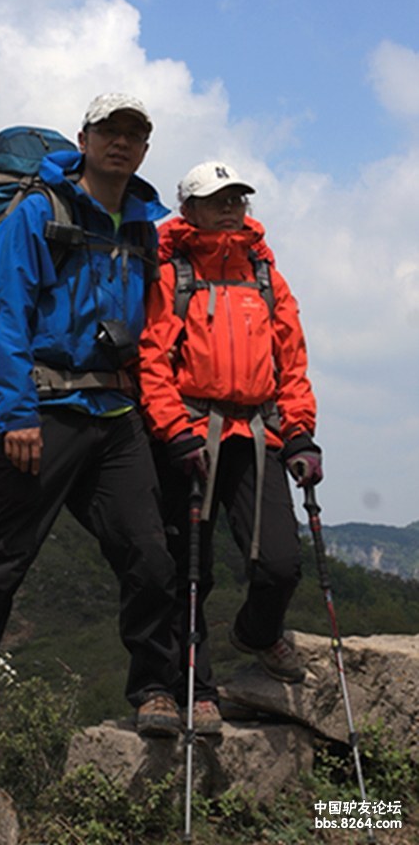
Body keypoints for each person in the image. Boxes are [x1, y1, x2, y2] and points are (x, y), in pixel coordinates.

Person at [0, 93, 182, 761]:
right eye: (109, 130)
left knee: (151, 557)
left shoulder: (143, 225)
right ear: (85, 137)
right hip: (42, 408)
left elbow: (154, 326)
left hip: (116, 412)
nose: (121, 143)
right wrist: (14, 414)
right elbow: (5, 312)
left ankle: (155, 690)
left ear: (146, 148)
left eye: (134, 133)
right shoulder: (40, 211)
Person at [138, 160, 323, 736]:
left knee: (279, 565)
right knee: (191, 570)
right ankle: (197, 688)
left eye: (237, 198)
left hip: (257, 435)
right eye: (216, 199)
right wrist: (173, 430)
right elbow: (151, 356)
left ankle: (258, 633)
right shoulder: (172, 270)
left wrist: (300, 432)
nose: (229, 208)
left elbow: (291, 360)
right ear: (187, 207)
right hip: (191, 433)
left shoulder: (265, 273)